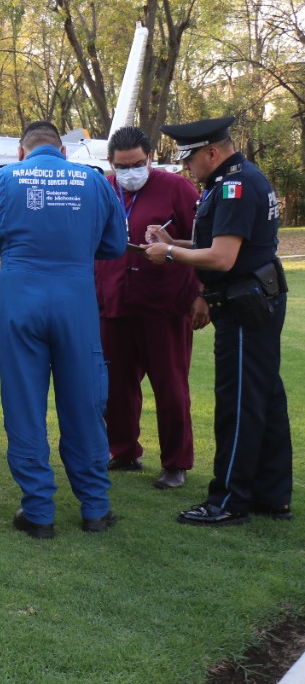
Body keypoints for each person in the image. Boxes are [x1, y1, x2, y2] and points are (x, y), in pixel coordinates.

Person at [0, 120, 127, 538]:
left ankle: (38, 513)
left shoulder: (2, 180)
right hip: (76, 303)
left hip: (20, 303)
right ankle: (95, 508)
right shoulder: (94, 182)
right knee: (85, 403)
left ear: (21, 152)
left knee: (24, 405)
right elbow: (114, 246)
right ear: (64, 151)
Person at [144, 115, 292, 526]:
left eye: (189, 159)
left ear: (212, 153)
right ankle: (271, 495)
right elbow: (223, 245)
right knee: (265, 399)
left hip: (244, 305)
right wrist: (176, 242)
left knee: (239, 404)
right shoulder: (239, 178)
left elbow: (223, 258)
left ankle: (228, 501)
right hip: (255, 298)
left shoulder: (234, 186)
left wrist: (169, 254)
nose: (186, 167)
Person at [94, 127, 205, 490]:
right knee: (116, 387)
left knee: (170, 387)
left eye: (138, 163)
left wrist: (202, 293)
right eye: (123, 166)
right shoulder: (103, 188)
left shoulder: (177, 188)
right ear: (111, 163)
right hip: (113, 302)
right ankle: (123, 450)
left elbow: (206, 243)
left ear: (151, 158)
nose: (131, 171)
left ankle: (176, 462)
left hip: (165, 304)